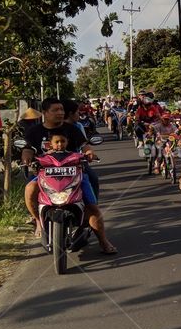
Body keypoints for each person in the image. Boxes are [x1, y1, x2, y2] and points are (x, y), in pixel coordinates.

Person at [21, 98, 116, 254]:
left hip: (75, 173)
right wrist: (26, 158)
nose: (60, 113)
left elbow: (84, 145)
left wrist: (89, 152)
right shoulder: (34, 132)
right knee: (30, 188)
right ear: (45, 113)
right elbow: (28, 148)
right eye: (56, 110)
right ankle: (38, 220)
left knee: (92, 206)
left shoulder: (72, 129)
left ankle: (103, 241)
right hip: (45, 175)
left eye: (62, 110)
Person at [41, 128, 115, 253]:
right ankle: (38, 223)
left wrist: (90, 155)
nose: (60, 144)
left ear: (67, 142)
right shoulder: (44, 158)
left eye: (63, 141)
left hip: (75, 184)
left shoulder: (74, 156)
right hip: (52, 188)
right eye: (57, 142)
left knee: (93, 208)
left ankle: (103, 242)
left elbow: (86, 153)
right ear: (50, 143)